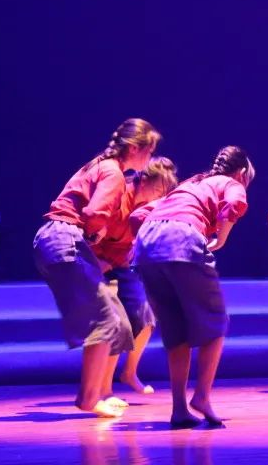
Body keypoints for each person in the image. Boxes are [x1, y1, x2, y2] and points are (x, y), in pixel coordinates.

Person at [33, 118, 160, 418]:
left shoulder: (99, 164)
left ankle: (96, 394)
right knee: (106, 319)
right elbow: (94, 213)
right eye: (149, 151)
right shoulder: (114, 173)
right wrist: (96, 232)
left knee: (115, 320)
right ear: (134, 148)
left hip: (54, 239)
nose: (150, 158)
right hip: (65, 238)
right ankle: (90, 398)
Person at [135, 146, 255, 427]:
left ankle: (179, 409)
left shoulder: (190, 184)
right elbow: (234, 203)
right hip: (181, 238)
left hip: (146, 244)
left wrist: (147, 245)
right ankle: (201, 396)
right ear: (241, 173)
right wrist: (221, 238)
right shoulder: (230, 182)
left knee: (176, 330)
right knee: (216, 321)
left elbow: (138, 216)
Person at [93, 156, 178, 398]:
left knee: (145, 315)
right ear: (144, 180)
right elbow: (91, 228)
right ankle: (103, 389)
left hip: (120, 263)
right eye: (158, 188)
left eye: (164, 191)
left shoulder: (150, 207)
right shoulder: (118, 197)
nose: (160, 194)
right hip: (96, 263)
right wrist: (96, 261)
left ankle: (129, 372)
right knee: (117, 323)